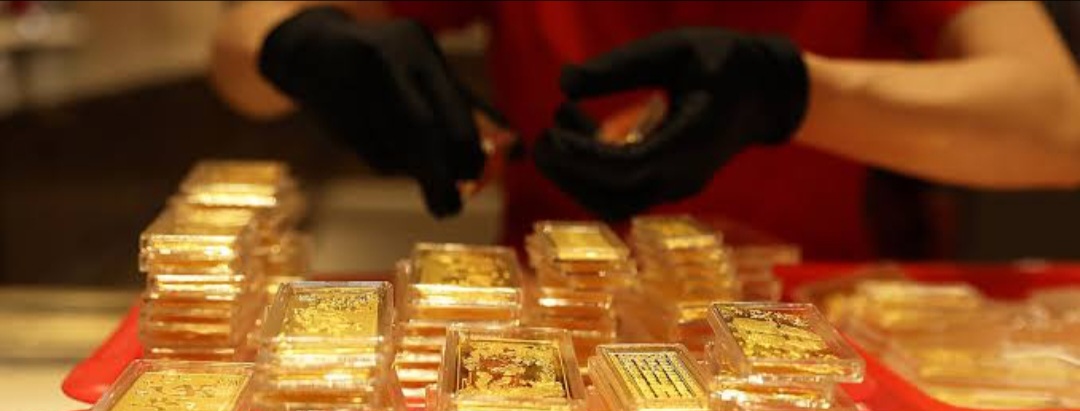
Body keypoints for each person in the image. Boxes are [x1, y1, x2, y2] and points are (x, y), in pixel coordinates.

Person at [211, 1, 1080, 260]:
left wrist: (792, 92)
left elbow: (1059, 126)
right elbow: (238, 53)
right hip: (554, 335)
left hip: (816, 326)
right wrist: (300, 45)